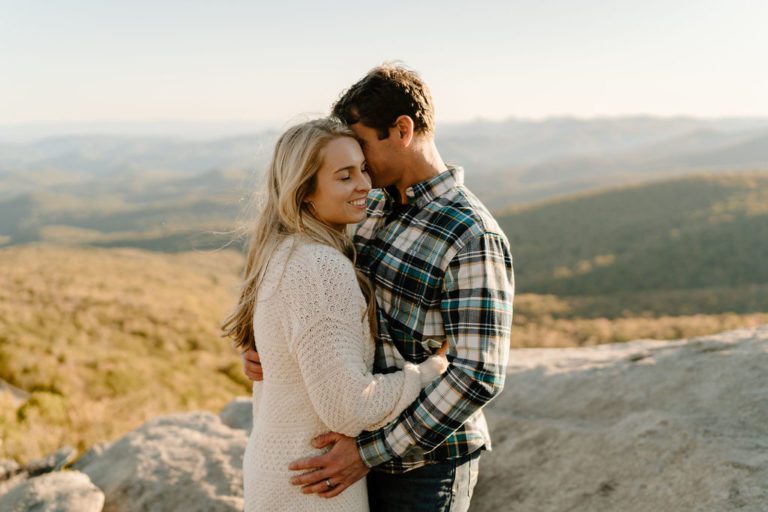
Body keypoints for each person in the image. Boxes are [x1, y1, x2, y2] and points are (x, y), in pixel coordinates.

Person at [244, 64, 515, 511]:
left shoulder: (471, 235)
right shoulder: (368, 205)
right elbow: (311, 295)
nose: (361, 169)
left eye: (364, 148)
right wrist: (272, 348)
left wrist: (372, 451)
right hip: (353, 453)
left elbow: (478, 375)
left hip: (424, 466)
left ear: (402, 130)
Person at [224, 117, 450, 512]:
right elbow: (352, 408)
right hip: (313, 486)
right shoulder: (321, 267)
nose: (364, 184)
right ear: (305, 192)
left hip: (282, 472)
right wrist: (429, 371)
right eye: (344, 176)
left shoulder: (282, 250)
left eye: (362, 169)